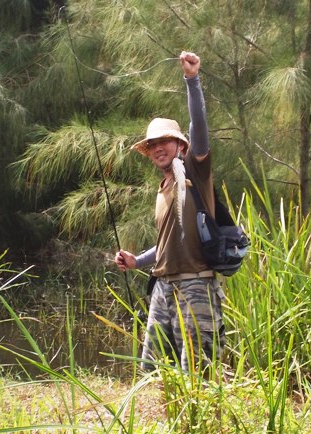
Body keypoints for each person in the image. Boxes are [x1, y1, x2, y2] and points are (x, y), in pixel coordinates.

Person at [114, 51, 225, 373]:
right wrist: (138, 261)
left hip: (196, 285)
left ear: (181, 146)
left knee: (198, 372)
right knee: (153, 371)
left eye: (166, 141)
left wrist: (192, 80)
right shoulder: (162, 190)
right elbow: (165, 245)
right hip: (163, 287)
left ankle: (202, 424)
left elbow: (200, 127)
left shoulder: (194, 173)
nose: (158, 148)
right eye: (152, 145)